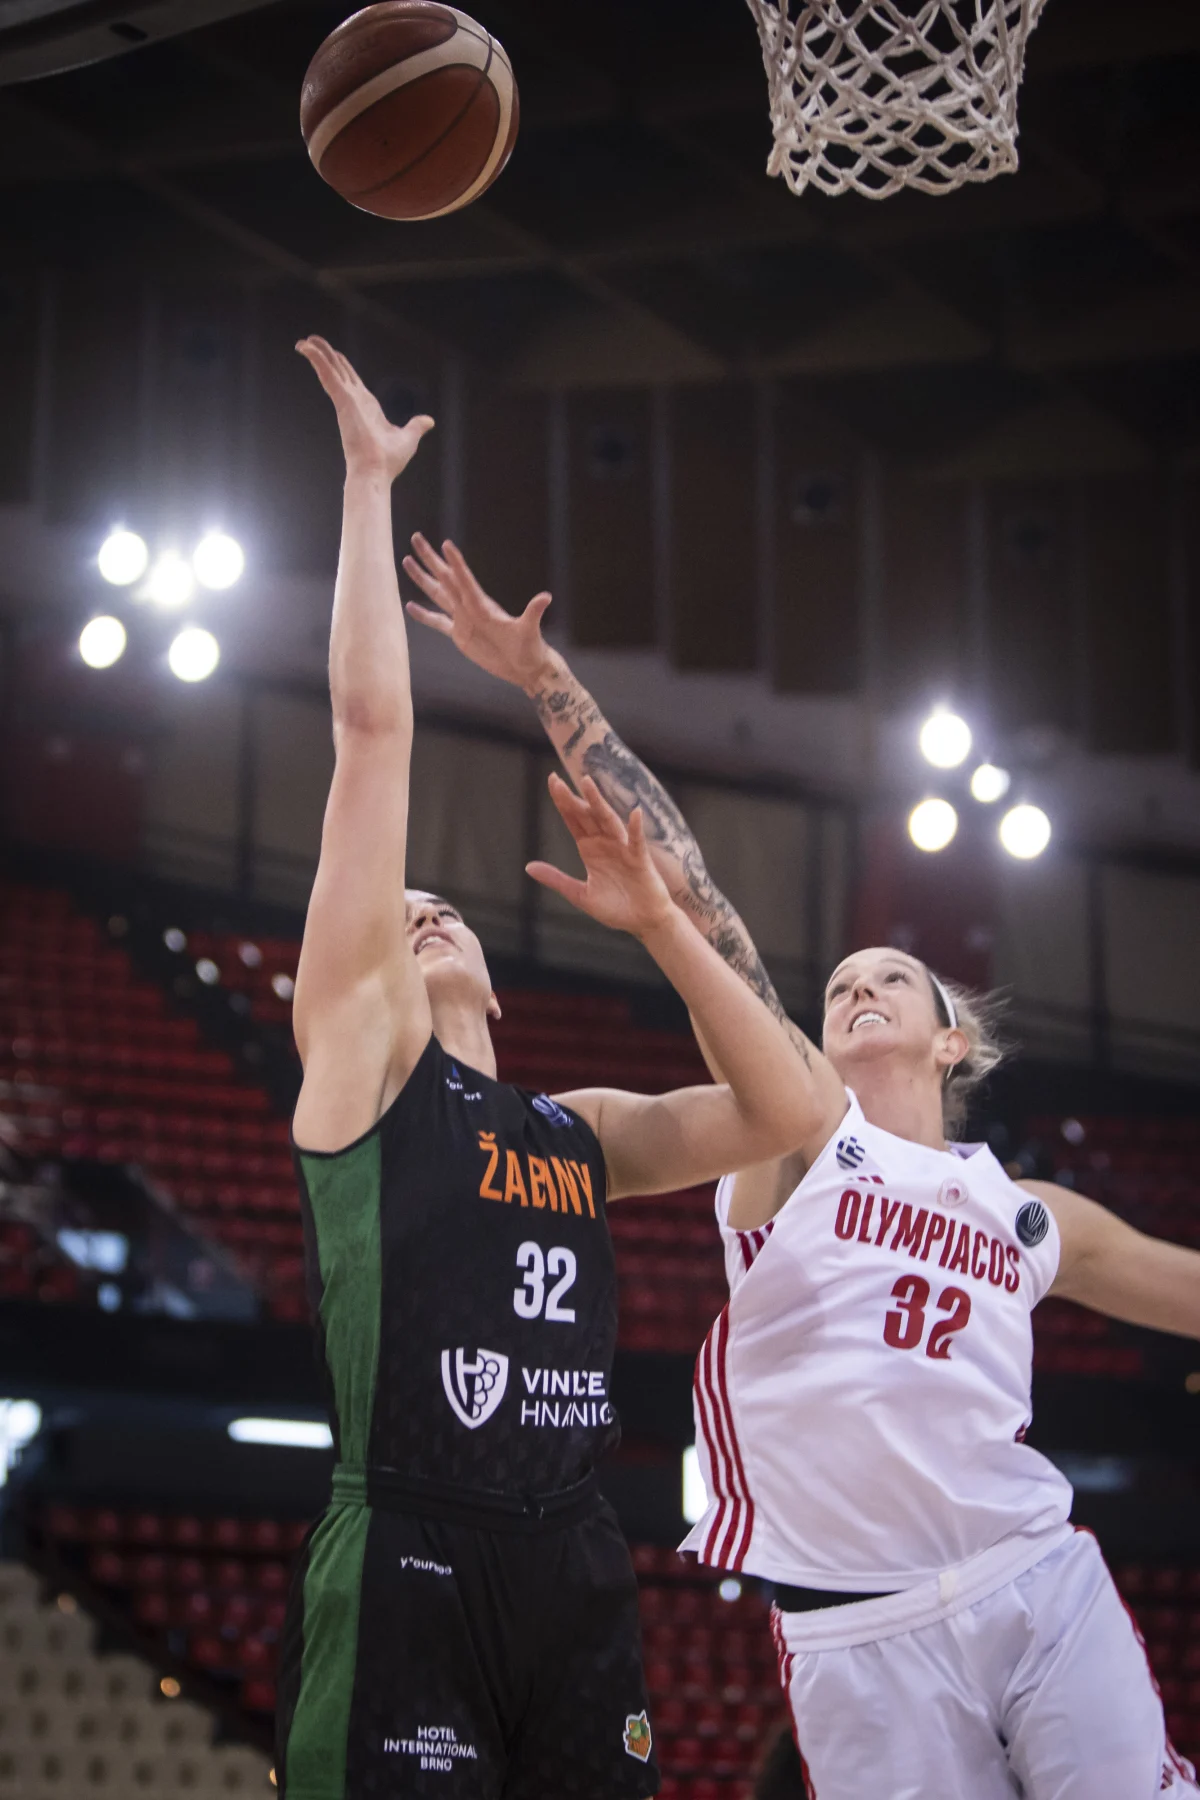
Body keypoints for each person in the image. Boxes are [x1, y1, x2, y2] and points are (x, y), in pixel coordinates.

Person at [403, 536, 1200, 1800]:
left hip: (1032, 1575)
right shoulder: (803, 1139)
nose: (856, 986)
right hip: (854, 1627)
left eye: (892, 976)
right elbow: (692, 887)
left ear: (954, 1039)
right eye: (838, 983)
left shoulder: (1031, 1218)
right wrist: (548, 682)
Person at [276, 339, 828, 1800]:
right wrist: (362, 485)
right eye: (402, 914)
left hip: (575, 1557)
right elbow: (371, 734)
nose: (426, 906)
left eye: (443, 905)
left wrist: (658, 921)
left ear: (506, 986)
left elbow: (792, 1109)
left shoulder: (575, 1130)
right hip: (410, 1540)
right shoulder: (365, 1077)